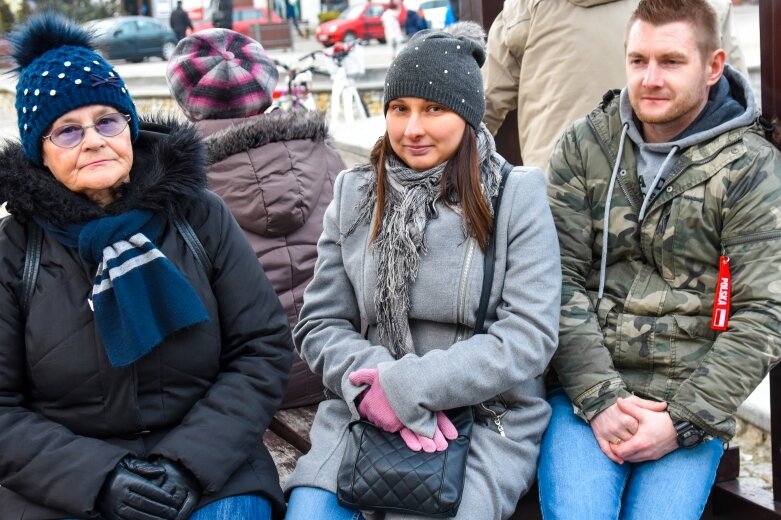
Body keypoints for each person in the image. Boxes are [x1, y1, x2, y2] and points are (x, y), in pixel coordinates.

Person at [0, 12, 293, 520]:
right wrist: (101, 479)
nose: (93, 140)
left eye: (106, 121)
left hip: (211, 466)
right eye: (67, 131)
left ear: (129, 129)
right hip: (66, 488)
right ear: (38, 153)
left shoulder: (197, 215)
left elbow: (261, 349)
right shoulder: (15, 248)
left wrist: (187, 463)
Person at [284, 22, 561, 520]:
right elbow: (320, 324)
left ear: (469, 116)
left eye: (434, 109)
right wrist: (374, 386)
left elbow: (528, 336)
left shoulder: (515, 197)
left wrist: (409, 388)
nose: (412, 129)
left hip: (479, 419)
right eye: (399, 109)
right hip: (363, 408)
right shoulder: (356, 193)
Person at [539, 0, 781, 518]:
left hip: (688, 395)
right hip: (586, 391)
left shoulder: (751, 166)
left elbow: (762, 313)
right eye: (637, 60)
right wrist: (600, 399)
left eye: (670, 61)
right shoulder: (586, 146)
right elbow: (556, 280)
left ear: (713, 66)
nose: (649, 78)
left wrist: (685, 420)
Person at [166, 28, 347, 410]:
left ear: (185, 102)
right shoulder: (327, 154)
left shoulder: (176, 182)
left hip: (248, 386)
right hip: (336, 366)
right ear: (267, 89)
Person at [482, 0, 748, 170]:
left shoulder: (527, 6)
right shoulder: (709, 7)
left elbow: (480, 104)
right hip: (677, 196)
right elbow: (741, 110)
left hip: (555, 189)